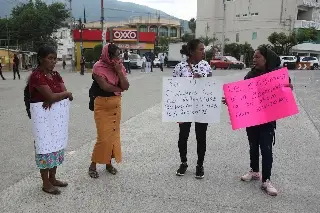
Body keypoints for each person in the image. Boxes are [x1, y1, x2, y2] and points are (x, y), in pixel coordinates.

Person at [223, 46, 293, 196]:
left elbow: (285, 93)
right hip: (252, 118)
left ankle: (266, 180)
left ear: (266, 59)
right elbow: (244, 97)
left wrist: (288, 88)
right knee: (253, 146)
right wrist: (231, 100)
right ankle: (255, 171)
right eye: (253, 57)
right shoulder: (250, 75)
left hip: (267, 120)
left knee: (266, 149)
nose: (254, 59)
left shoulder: (276, 75)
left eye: (257, 57)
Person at [26, 46, 73, 195]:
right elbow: (57, 95)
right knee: (45, 147)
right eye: (50, 58)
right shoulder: (37, 76)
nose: (53, 61)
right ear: (41, 59)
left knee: (56, 145)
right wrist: (64, 94)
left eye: (55, 58)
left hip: (55, 118)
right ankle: (45, 183)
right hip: (43, 119)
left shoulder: (56, 75)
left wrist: (55, 96)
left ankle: (53, 178)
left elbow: (56, 94)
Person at [88, 43, 130, 178]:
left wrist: (118, 71)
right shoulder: (98, 67)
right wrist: (119, 88)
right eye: (116, 56)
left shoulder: (119, 67)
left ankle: (108, 164)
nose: (118, 59)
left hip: (115, 105)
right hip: (102, 104)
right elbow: (105, 86)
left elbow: (126, 85)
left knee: (113, 137)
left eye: (119, 55)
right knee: (103, 138)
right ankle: (93, 165)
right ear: (108, 55)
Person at [173, 39, 212, 179]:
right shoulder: (179, 67)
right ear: (191, 51)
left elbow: (211, 86)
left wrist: (203, 80)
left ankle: (200, 165)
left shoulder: (206, 65)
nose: (203, 52)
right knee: (183, 136)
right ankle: (183, 162)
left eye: (203, 49)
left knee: (201, 137)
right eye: (201, 49)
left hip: (202, 107)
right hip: (185, 108)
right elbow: (174, 89)